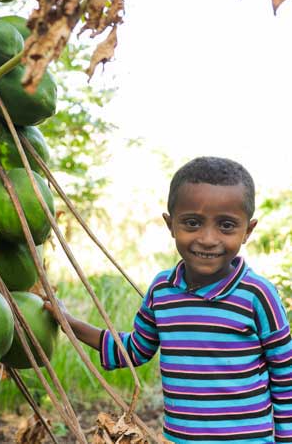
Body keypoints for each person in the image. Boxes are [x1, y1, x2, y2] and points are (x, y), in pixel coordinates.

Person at [45, 156, 292, 443]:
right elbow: (134, 350)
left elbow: (285, 376)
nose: (208, 238)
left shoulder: (257, 295)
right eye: (192, 223)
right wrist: (69, 323)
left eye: (226, 226)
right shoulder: (162, 291)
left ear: (247, 231)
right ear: (170, 224)